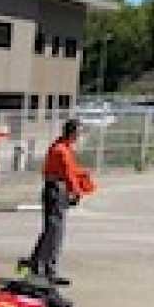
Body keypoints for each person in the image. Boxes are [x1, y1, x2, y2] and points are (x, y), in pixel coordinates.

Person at [21, 119, 95, 286]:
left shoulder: (62, 147)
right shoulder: (61, 150)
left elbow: (71, 170)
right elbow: (68, 173)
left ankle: (39, 266)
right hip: (56, 189)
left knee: (51, 231)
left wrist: (82, 176)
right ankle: (45, 269)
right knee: (54, 232)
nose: (80, 136)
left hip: (55, 189)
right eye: (79, 133)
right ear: (73, 133)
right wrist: (76, 192)